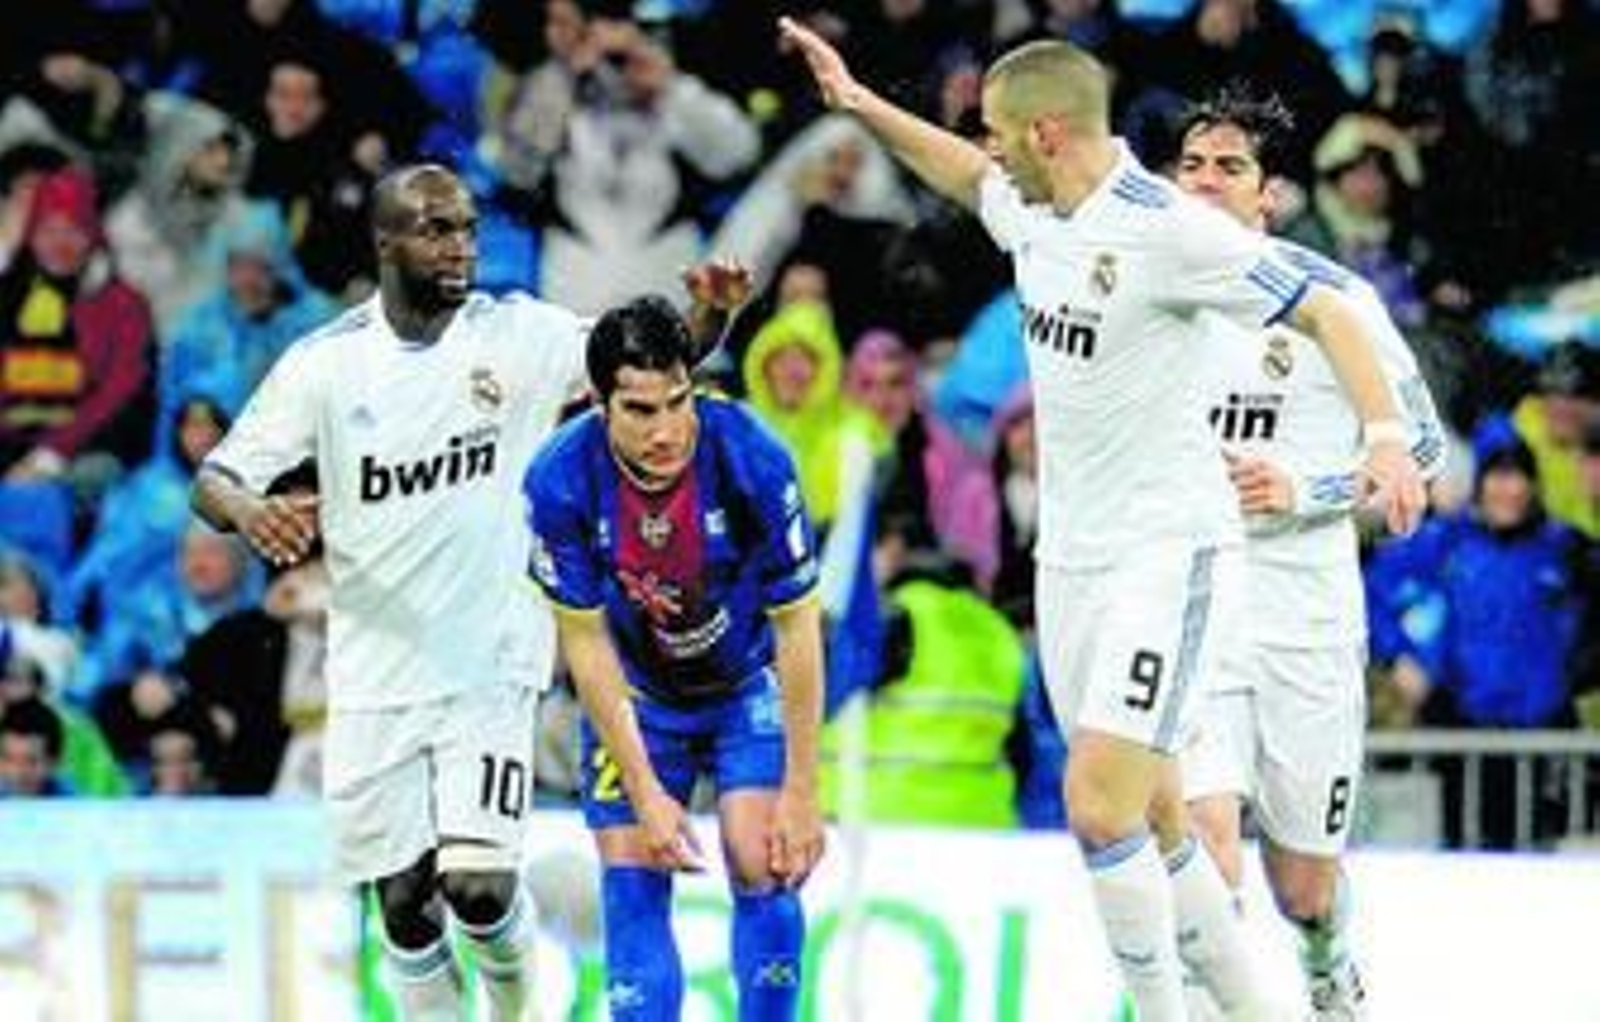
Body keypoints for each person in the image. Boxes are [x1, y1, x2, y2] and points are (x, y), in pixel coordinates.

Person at [780, 19, 1426, 1021]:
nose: (986, 150)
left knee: (1109, 809)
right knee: (1171, 823)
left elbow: (1330, 314)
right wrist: (858, 101)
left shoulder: (1166, 231)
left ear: (1043, 132)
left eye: (997, 132)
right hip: (1072, 565)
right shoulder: (1039, 213)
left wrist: (1379, 437)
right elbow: (962, 175)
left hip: (1173, 563)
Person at [192, 162, 747, 1021]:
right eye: (436, 230)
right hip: (376, 670)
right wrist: (252, 509)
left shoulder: (519, 335)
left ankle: (522, 1008)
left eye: (467, 228)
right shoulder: (327, 365)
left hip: (491, 658)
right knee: (407, 910)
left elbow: (648, 371)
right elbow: (217, 476)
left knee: (479, 886)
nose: (460, 248)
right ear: (386, 243)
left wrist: (712, 314)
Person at [1171, 89, 1448, 1019]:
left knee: (1304, 891)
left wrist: (1308, 493)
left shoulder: (1336, 301)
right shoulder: (1146, 297)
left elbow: (1428, 455)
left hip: (1306, 619)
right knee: (1205, 846)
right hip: (1192, 608)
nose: (1205, 183)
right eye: (1193, 165)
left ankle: (1329, 969)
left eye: (1230, 167)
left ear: (1270, 196)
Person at [524, 295, 825, 1021]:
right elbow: (586, 645)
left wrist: (803, 788)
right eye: (639, 410)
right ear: (599, 403)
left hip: (743, 687)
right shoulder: (558, 480)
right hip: (636, 701)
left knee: (765, 861)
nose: (666, 430)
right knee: (631, 878)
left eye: (677, 402)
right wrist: (646, 792)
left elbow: (798, 629)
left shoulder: (752, 456)